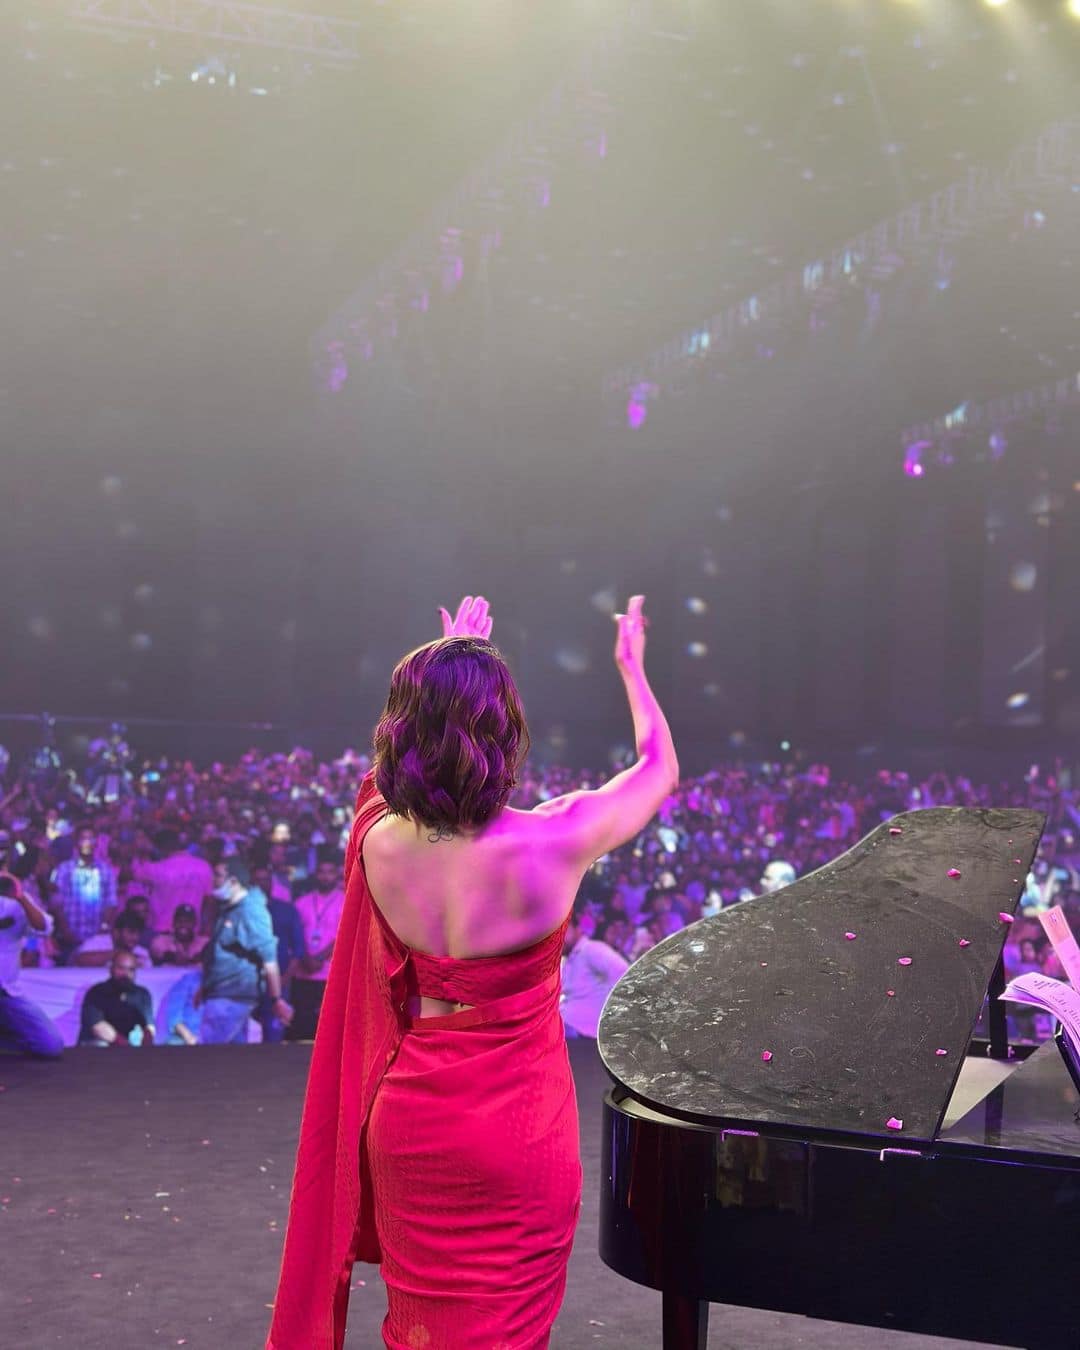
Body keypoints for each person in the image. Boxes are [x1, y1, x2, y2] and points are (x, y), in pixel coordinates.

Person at [268, 591, 679, 1350]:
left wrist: (445, 668)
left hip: (412, 1123)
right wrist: (630, 668)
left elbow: (383, 783)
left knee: (419, 1331)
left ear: (402, 727)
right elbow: (659, 769)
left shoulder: (378, 842)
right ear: (508, 730)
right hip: (518, 1133)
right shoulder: (559, 839)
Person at [199, 862, 293, 1045]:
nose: (213, 880)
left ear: (233, 881)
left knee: (208, 1059)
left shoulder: (250, 911)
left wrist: (276, 999)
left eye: (218, 875)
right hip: (223, 992)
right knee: (230, 1062)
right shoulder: (228, 908)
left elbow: (269, 958)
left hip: (232, 996)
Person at [0, 872, 64, 1058]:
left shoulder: (15, 901)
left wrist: (20, 897)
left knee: (51, 1045)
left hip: (6, 993)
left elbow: (45, 928)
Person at [287, 849, 345, 1040]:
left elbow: (343, 935)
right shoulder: (301, 902)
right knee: (303, 1020)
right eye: (321, 872)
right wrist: (305, 957)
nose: (325, 876)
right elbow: (295, 935)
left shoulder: (345, 900)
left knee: (329, 1021)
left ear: (337, 874)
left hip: (329, 970)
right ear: (315, 874)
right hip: (304, 970)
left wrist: (319, 957)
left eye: (329, 872)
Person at [49, 824, 118, 964]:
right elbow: (56, 903)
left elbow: (111, 902)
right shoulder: (64, 869)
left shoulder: (105, 870)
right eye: (83, 839)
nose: (87, 843)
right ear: (76, 842)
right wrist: (65, 929)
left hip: (96, 936)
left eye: (90, 839)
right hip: (69, 935)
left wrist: (104, 927)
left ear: (96, 842)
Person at [560, 905, 631, 1038]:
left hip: (592, 1039)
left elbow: (627, 977)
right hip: (572, 1036)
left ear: (577, 928)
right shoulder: (567, 961)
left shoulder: (592, 950)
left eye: (561, 932)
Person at [133, 828, 214, 938]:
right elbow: (209, 900)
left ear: (160, 848)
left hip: (161, 931)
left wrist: (142, 853)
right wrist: (206, 925)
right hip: (193, 930)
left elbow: (135, 874)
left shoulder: (155, 869)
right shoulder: (204, 866)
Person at [77, 950, 155, 1046]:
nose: (126, 974)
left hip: (127, 1050)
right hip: (95, 1046)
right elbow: (97, 1027)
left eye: (131, 970)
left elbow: (149, 1027)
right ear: (111, 969)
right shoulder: (97, 992)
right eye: (121, 968)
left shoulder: (142, 994)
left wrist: (146, 1049)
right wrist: (128, 1048)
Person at [71, 908, 152, 969]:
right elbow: (80, 960)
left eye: (138, 933)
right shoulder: (97, 942)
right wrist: (118, 954)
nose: (135, 938)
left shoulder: (142, 953)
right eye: (131, 932)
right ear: (116, 932)